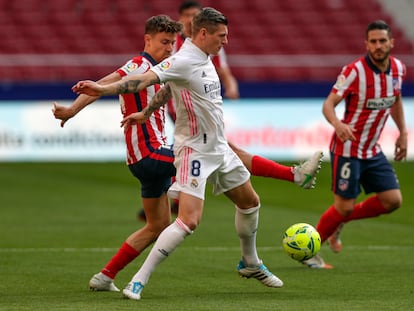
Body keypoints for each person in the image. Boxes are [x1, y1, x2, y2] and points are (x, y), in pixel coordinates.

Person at [72, 7, 299, 300]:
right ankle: (139, 280)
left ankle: (249, 262)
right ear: (203, 33)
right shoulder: (178, 60)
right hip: (189, 151)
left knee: (248, 202)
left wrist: (147, 110)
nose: (226, 42)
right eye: (222, 36)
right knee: (189, 220)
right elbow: (141, 80)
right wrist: (101, 91)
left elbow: (169, 90)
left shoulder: (203, 59)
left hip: (210, 147)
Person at [53, 15, 183, 291]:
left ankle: (105, 276)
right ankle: (282, 178)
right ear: (147, 39)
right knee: (212, 153)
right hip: (151, 153)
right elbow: (102, 84)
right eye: (164, 42)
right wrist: (71, 111)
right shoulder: (139, 64)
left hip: (143, 160)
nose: (170, 48)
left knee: (157, 226)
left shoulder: (160, 69)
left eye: (172, 42)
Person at [302, 20, 408, 269]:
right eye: (373, 41)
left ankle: (341, 222)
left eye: (383, 41)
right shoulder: (354, 71)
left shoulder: (399, 69)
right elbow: (328, 104)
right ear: (367, 44)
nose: (378, 46)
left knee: (392, 200)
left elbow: (395, 101)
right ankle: (310, 251)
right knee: (344, 206)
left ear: (392, 42)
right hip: (347, 148)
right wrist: (338, 124)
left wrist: (403, 131)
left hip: (372, 149)